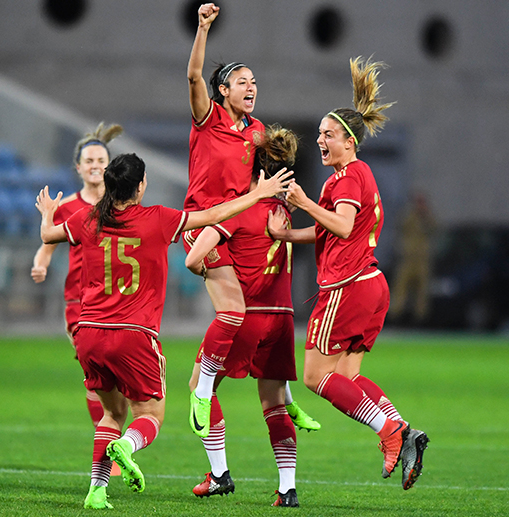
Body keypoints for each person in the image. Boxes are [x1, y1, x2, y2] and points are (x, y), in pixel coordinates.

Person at [36, 152, 292, 509]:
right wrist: (257, 193)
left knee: (111, 414)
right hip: (133, 334)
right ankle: (127, 446)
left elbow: (48, 234)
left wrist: (48, 212)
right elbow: (215, 215)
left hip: (89, 333)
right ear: (141, 186)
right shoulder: (158, 219)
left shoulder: (88, 218)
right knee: (150, 415)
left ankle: (96, 491)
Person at [268, 57, 429, 491]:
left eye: (329, 134)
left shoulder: (348, 178)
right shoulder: (349, 176)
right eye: (319, 133)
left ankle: (388, 431)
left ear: (350, 141)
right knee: (349, 377)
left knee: (316, 376)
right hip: (369, 284)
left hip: (346, 288)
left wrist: (301, 202)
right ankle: (404, 431)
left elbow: (339, 224)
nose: (319, 139)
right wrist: (288, 235)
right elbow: (332, 231)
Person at [183, 2, 314, 438]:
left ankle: (283, 396)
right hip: (206, 223)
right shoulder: (208, 118)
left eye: (255, 81)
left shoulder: (256, 130)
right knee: (236, 312)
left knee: (262, 312)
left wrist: (284, 199)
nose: (251, 86)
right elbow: (193, 77)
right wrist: (203, 29)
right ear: (223, 91)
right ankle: (202, 389)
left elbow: (268, 168)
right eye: (242, 81)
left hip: (236, 226)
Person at [183, 125, 312, 507]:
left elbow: (193, 257)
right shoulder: (284, 211)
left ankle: (220, 474)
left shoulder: (242, 209)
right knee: (272, 403)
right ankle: (288, 488)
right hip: (284, 318)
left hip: (248, 316)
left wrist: (205, 270)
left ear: (255, 173)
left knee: (198, 387)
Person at [31, 122, 126, 431]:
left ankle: (116, 434)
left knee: (119, 379)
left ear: (109, 166)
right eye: (89, 161)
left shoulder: (122, 206)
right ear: (78, 167)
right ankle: (108, 444)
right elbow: (48, 244)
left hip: (119, 300)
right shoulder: (68, 207)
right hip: (80, 302)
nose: (95, 166)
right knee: (94, 374)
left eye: (100, 161)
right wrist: (40, 264)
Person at [388, 192, 436, 324]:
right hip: (408, 258)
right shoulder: (409, 216)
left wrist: (425, 215)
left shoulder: (427, 217)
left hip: (422, 259)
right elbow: (402, 225)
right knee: (400, 288)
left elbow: (435, 228)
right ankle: (395, 316)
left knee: (421, 291)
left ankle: (420, 318)